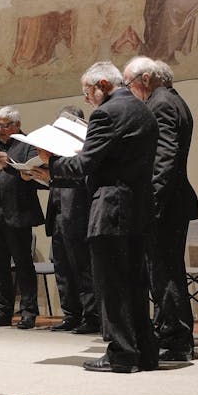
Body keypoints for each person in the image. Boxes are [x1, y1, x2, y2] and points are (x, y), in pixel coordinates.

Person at [38, 61, 159, 373]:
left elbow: (84, 165)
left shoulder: (106, 113)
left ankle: (121, 354)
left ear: (103, 84)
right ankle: (144, 352)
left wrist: (49, 165)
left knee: (113, 286)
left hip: (111, 209)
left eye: (87, 92)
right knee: (134, 284)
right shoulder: (143, 109)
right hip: (138, 209)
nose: (87, 99)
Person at [124, 56, 198, 361]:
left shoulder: (162, 104)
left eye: (128, 84)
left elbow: (165, 157)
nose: (128, 91)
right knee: (165, 272)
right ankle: (169, 331)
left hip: (165, 204)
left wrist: (151, 202)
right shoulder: (171, 99)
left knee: (165, 273)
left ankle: (177, 340)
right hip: (172, 201)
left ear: (144, 79)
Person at [30, 106, 97, 334]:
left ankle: (91, 316)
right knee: (63, 268)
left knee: (83, 269)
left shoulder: (82, 149)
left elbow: (85, 180)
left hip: (77, 215)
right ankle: (71, 314)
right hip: (57, 215)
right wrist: (47, 177)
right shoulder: (56, 153)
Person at [0, 106, 46, 330]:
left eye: (5, 125)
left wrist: (10, 164)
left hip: (17, 213)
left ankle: (28, 312)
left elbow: (36, 176)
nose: (0, 129)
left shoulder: (27, 144)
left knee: (23, 264)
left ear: (16, 125)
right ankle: (3, 311)